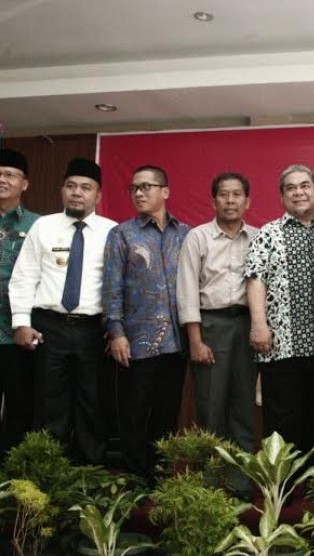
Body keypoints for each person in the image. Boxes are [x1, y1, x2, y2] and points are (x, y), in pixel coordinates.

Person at [9, 158, 116, 464]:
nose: (76, 193)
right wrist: (21, 323)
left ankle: (87, 474)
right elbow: (25, 275)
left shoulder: (113, 232)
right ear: (62, 191)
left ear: (98, 195)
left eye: (85, 187)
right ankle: (49, 471)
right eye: (70, 186)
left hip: (93, 330)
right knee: (49, 403)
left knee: (92, 403)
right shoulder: (44, 226)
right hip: (48, 327)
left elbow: (118, 285)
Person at [103, 165, 191, 478]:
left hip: (176, 343)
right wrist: (116, 332)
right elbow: (112, 286)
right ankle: (134, 479)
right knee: (132, 412)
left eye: (147, 186)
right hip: (135, 343)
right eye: (135, 188)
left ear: (165, 191)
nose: (140, 193)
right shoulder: (122, 233)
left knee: (167, 414)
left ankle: (160, 476)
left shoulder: (186, 234)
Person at [246, 164, 314, 461]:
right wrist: (259, 324)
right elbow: (255, 279)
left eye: (304, 186)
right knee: (282, 425)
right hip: (282, 347)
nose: (298, 192)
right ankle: (283, 494)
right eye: (290, 187)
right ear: (282, 196)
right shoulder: (268, 234)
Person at [176, 173, 258, 457]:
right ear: (214, 201)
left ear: (247, 201)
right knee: (210, 406)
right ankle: (213, 486)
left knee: (244, 406)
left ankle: (242, 482)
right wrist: (196, 341)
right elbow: (186, 291)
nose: (231, 200)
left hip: (248, 327)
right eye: (224, 194)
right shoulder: (197, 237)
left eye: (237, 194)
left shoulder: (259, 238)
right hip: (211, 326)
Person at [0, 148, 39, 453]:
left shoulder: (39, 226)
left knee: (20, 407)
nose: (3, 179)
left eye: (10, 175)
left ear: (24, 183)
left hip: (18, 332)